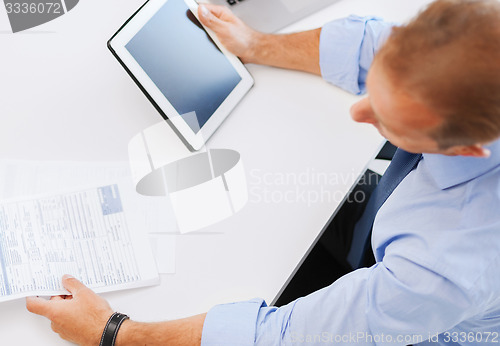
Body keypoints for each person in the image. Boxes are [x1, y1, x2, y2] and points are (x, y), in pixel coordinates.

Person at [26, 0, 500, 345]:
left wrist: (112, 333)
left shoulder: (443, 266)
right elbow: (372, 45)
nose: (358, 113)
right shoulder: (479, 46)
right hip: (389, 230)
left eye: (389, 121)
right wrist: (255, 44)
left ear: (469, 148)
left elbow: (287, 336)